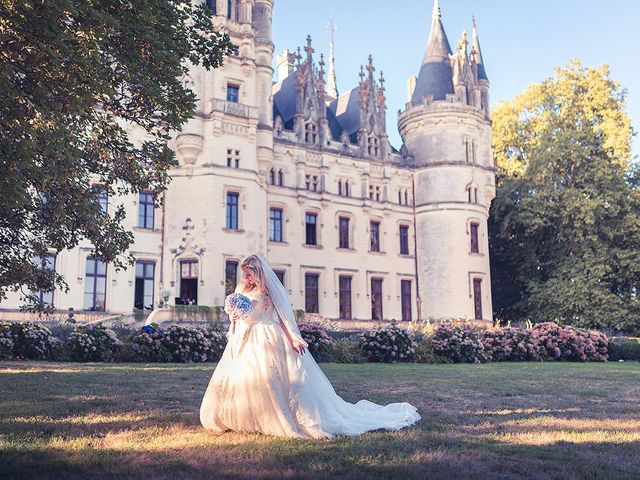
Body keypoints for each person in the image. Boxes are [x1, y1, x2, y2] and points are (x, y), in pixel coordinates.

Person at [199, 254, 420, 439]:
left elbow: (283, 317)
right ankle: (243, 416)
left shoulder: (268, 291)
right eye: (244, 273)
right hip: (245, 338)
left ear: (257, 272)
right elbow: (237, 316)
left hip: (267, 335)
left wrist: (294, 337)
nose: (245, 277)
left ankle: (282, 418)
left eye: (248, 273)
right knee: (243, 379)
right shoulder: (241, 288)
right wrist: (234, 319)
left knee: (272, 380)